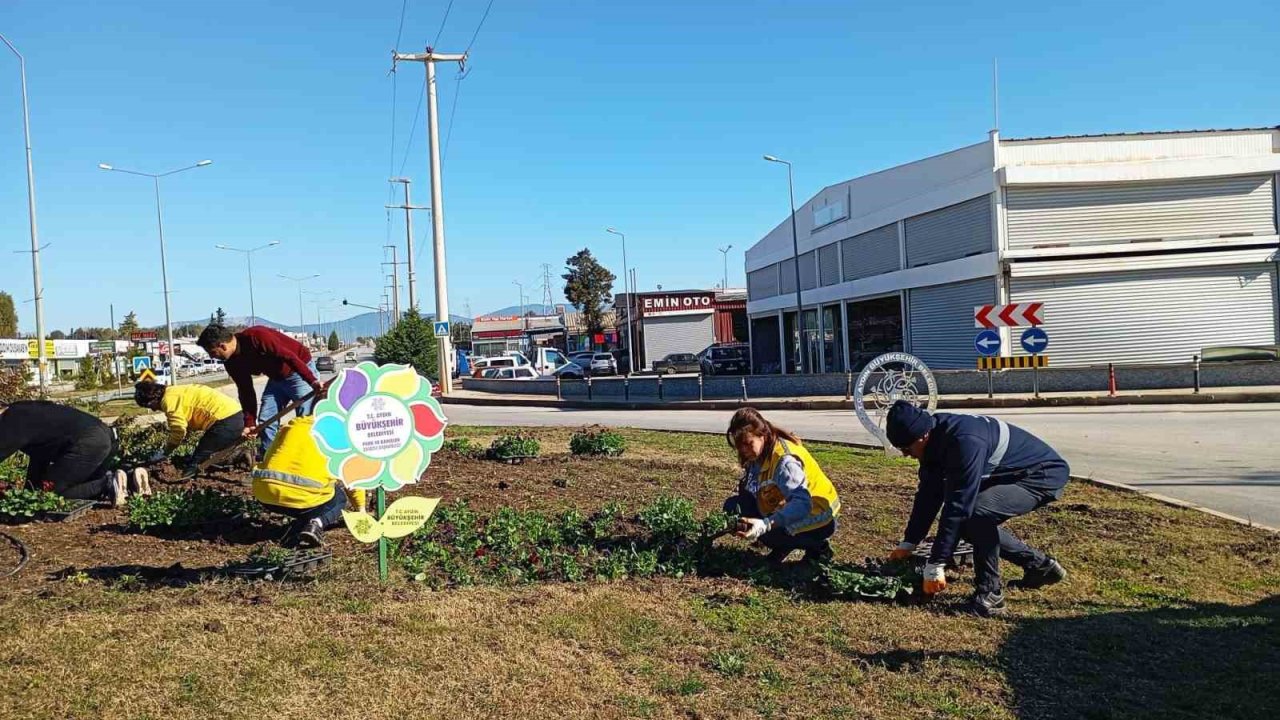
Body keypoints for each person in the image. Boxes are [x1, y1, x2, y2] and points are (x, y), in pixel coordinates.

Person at [884, 400, 1069, 617]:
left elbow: (958, 507)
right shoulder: (933, 441)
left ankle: (990, 597)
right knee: (969, 521)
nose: (905, 454)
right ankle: (1040, 566)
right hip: (1011, 473)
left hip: (1040, 476)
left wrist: (936, 564)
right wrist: (909, 542)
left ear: (922, 436)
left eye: (906, 448)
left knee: (974, 513)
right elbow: (928, 495)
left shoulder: (964, 442)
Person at [723, 407, 842, 565]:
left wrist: (765, 525)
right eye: (739, 446)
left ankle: (818, 547)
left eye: (747, 443)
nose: (743, 450)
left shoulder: (785, 462)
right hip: (793, 506)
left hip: (818, 517)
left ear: (762, 435)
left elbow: (802, 504)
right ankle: (783, 543)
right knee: (734, 507)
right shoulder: (760, 453)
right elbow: (750, 488)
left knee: (770, 534)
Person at [197, 324, 324, 449]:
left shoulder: (257, 337)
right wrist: (250, 422)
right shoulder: (231, 362)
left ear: (222, 346)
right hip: (276, 378)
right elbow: (245, 391)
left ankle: (307, 454)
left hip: (298, 370)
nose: (212, 357)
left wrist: (312, 381)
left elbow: (290, 357)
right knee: (266, 419)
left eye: (212, 352)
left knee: (305, 416)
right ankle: (268, 456)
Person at [252, 415, 361, 547]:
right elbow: (352, 479)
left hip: (265, 494)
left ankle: (299, 524)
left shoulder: (292, 425)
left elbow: (269, 455)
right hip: (304, 499)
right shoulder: (340, 433)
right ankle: (316, 523)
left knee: (307, 495)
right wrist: (360, 509)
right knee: (339, 498)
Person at [0, 400, 127, 505]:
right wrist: (28, 493)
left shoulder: (11, 420)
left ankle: (108, 484)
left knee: (49, 493)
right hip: (103, 436)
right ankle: (126, 483)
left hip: (88, 442)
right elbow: (39, 458)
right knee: (83, 488)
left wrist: (34, 494)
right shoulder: (24, 410)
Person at [133, 381, 248, 474]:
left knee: (199, 459)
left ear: (153, 399)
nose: (153, 410)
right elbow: (187, 417)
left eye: (148, 406)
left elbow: (178, 430)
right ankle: (241, 456)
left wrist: (166, 452)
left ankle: (186, 476)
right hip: (235, 414)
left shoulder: (169, 401)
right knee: (211, 452)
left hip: (225, 420)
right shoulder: (173, 391)